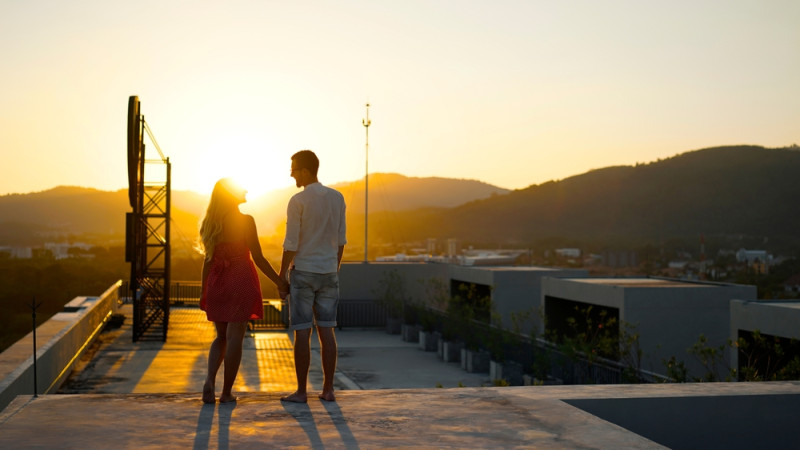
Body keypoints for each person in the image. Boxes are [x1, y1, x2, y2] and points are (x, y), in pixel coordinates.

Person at [199, 178, 287, 404]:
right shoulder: (246, 221)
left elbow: (207, 262)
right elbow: (258, 257)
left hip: (217, 282)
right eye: (240, 188)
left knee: (220, 337)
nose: (246, 189)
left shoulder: (210, 223)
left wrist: (204, 291)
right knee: (235, 337)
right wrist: (278, 281)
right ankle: (226, 393)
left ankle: (209, 379)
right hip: (240, 279)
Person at [279, 150, 347, 403]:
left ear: (306, 171)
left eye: (294, 169)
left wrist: (281, 276)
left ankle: (301, 392)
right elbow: (341, 241)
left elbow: (291, 245)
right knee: (327, 332)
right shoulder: (337, 198)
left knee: (302, 333)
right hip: (329, 272)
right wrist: (333, 268)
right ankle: (328, 390)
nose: (291, 174)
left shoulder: (297, 201)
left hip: (304, 273)